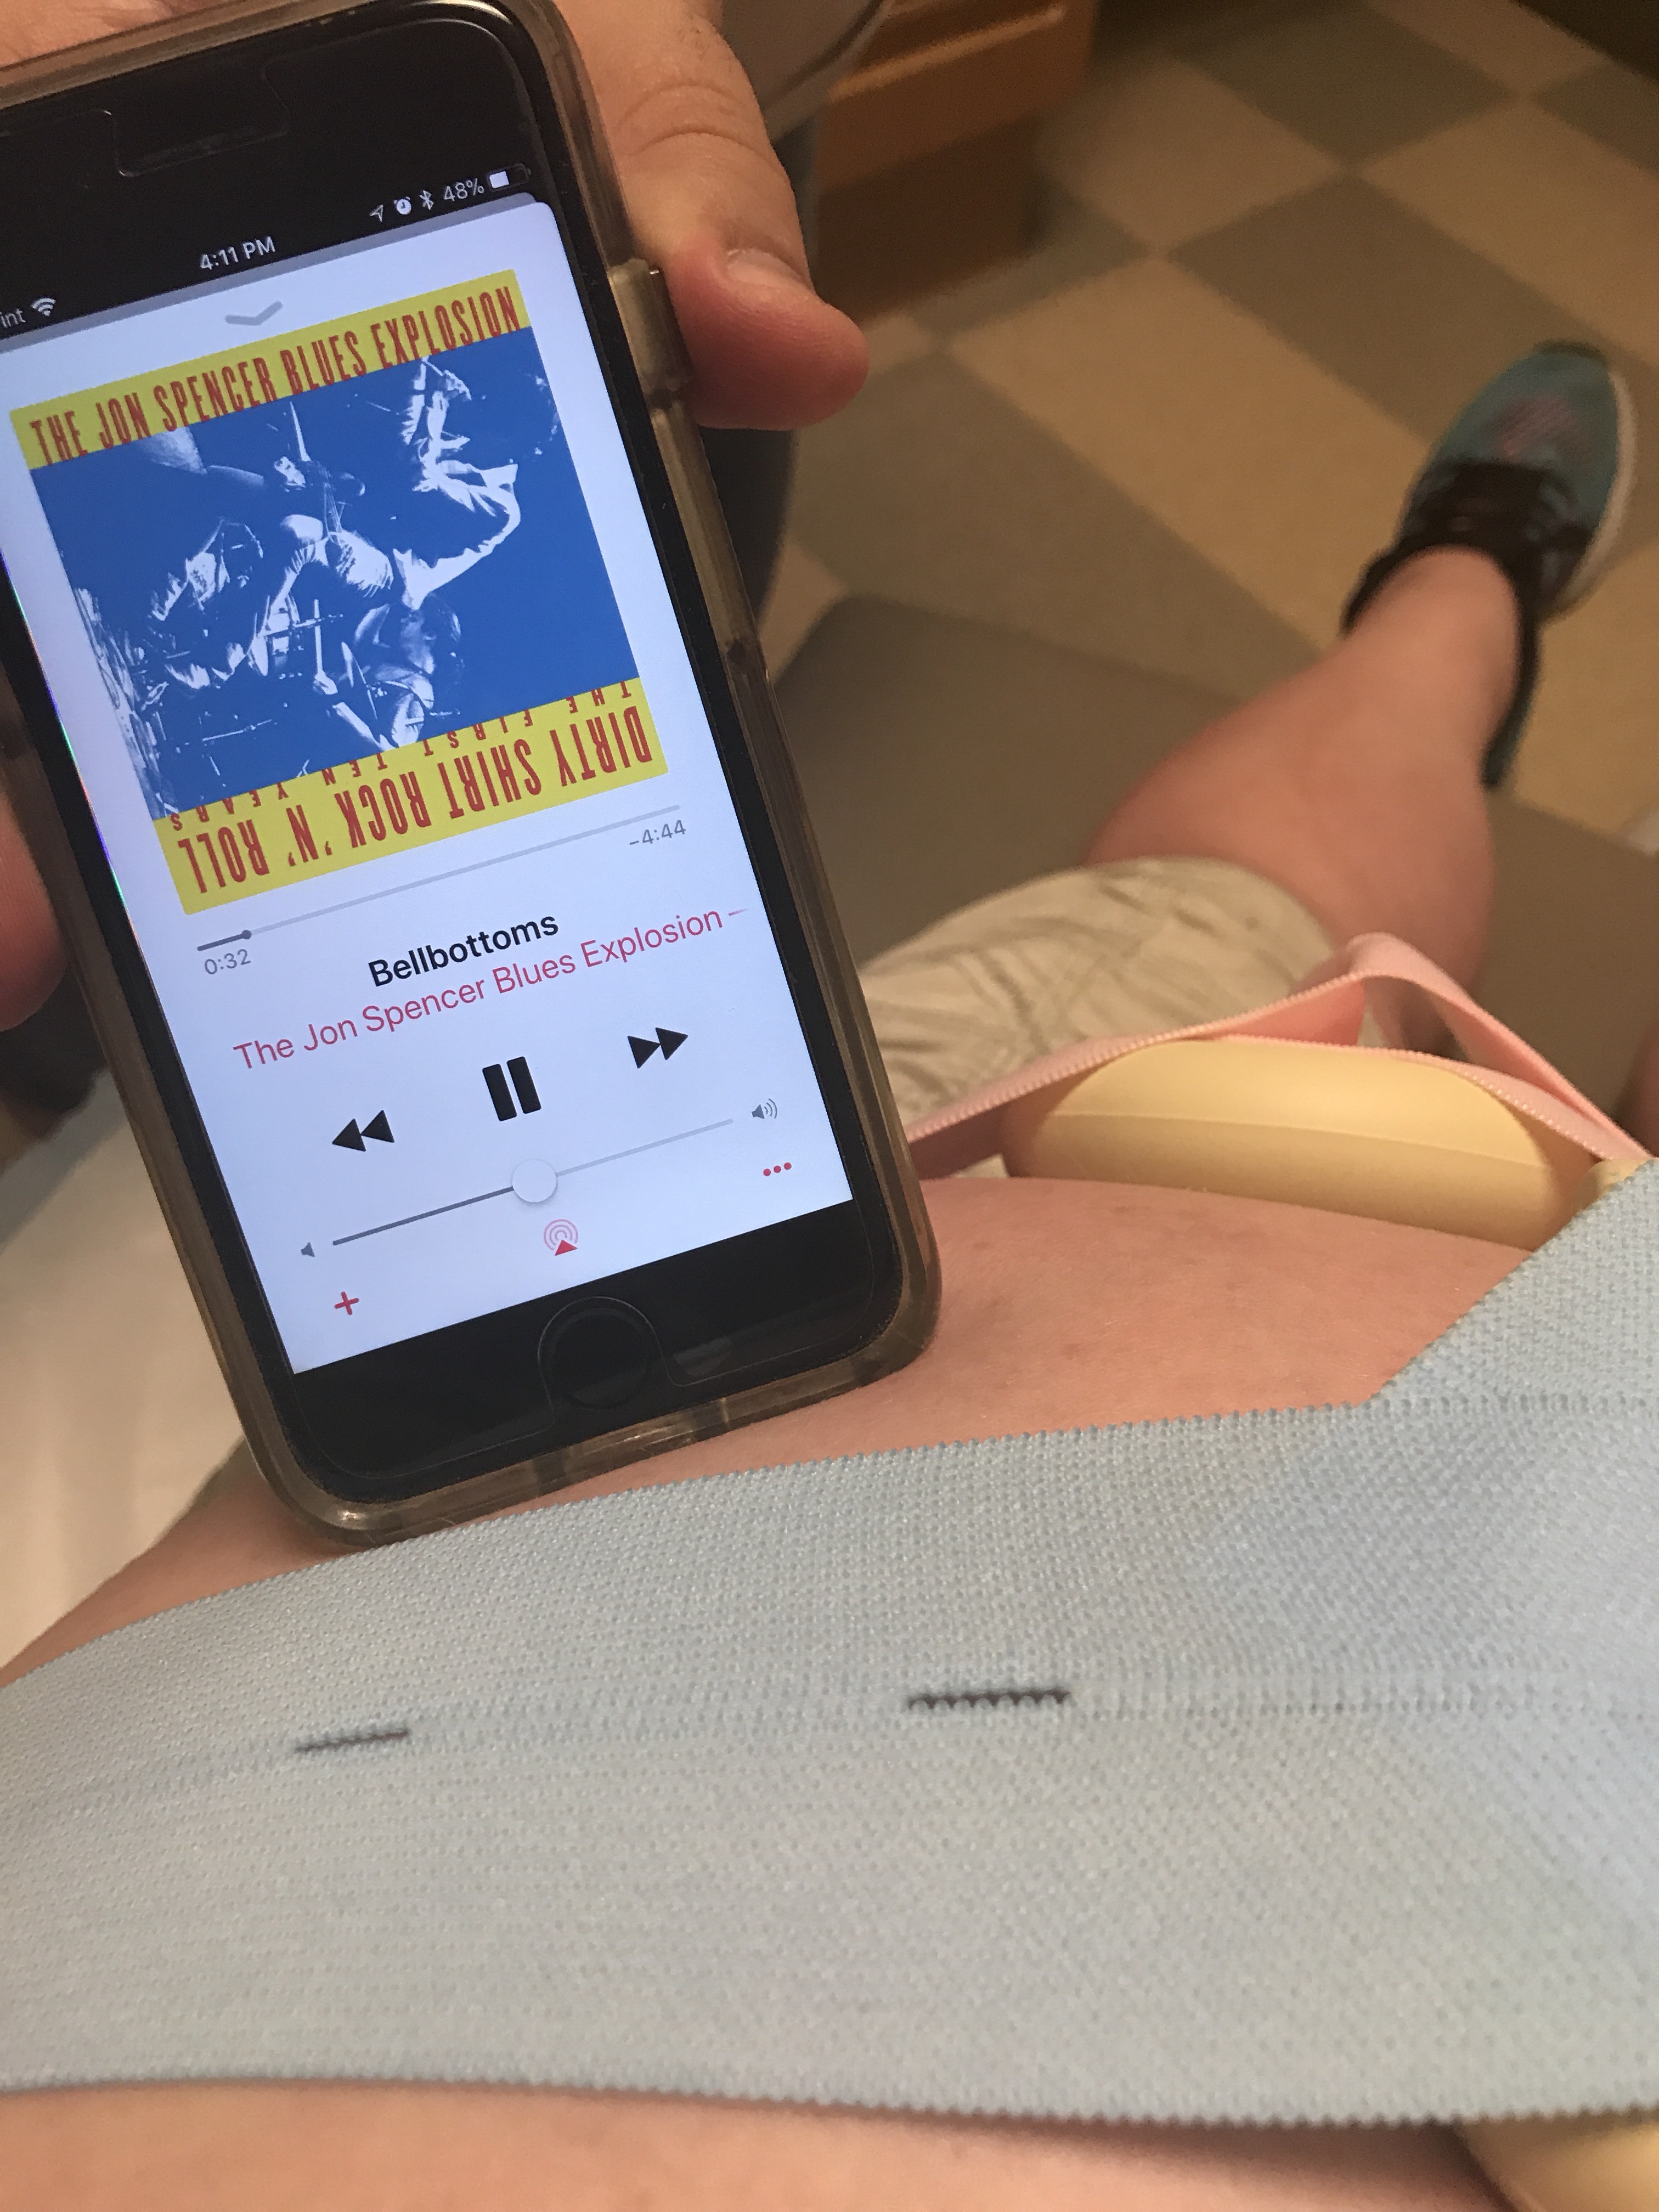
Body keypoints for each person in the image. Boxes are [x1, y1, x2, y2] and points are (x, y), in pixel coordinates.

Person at [0, 4, 1649, 2208]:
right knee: (1236, 903)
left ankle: (1453, 589)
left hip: (789, 1185)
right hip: (1047, 1204)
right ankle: (1459, 605)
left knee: (1219, 887)